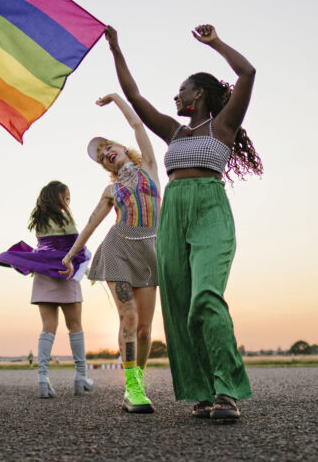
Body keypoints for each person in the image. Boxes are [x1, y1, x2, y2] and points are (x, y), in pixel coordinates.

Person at [105, 23, 261, 422]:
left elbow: (247, 74)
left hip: (209, 209)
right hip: (172, 212)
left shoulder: (223, 125)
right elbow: (135, 97)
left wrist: (216, 43)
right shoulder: (174, 132)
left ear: (200, 94)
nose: (176, 94)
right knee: (178, 305)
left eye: (183, 88)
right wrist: (115, 47)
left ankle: (227, 390)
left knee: (205, 298)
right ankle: (203, 392)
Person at [61, 94, 160, 413]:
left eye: (107, 149)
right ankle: (131, 388)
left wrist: (117, 98)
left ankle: (138, 383)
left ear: (119, 146)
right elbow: (91, 224)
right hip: (118, 249)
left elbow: (136, 123)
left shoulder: (148, 164)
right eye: (102, 157)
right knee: (128, 317)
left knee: (145, 328)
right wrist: (71, 254)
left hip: (150, 251)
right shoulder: (111, 190)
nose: (106, 155)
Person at [0, 181, 94, 397]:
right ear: (55, 197)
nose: (67, 202)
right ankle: (80, 376)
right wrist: (86, 264)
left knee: (48, 327)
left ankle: (42, 378)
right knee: (75, 325)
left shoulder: (39, 220)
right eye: (65, 198)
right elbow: (77, 245)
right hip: (64, 274)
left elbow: (46, 247)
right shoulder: (65, 217)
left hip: (42, 274)